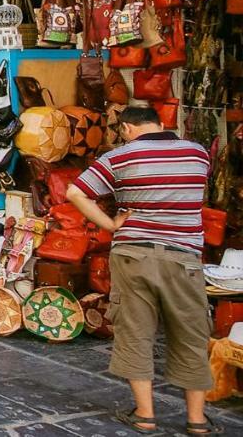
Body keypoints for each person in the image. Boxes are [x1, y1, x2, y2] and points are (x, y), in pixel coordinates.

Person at [67, 105, 218, 435]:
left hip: (132, 255)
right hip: (184, 258)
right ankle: (197, 420)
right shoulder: (198, 153)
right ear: (162, 124)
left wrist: (110, 223)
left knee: (135, 332)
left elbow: (75, 191)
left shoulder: (120, 157)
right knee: (191, 336)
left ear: (126, 129)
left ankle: (145, 416)